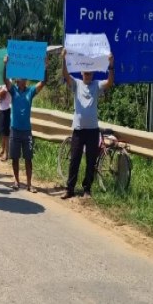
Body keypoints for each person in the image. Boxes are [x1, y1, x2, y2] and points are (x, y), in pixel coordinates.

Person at [61, 49, 115, 199]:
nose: (88, 75)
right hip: (78, 130)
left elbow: (110, 82)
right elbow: (65, 75)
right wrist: (63, 60)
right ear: (82, 73)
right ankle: (69, 189)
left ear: (93, 74)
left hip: (92, 130)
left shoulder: (97, 85)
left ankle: (87, 189)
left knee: (91, 161)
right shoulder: (77, 84)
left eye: (90, 73)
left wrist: (111, 65)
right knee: (75, 160)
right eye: (85, 73)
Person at [3, 55, 48, 192]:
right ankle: (16, 181)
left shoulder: (30, 91)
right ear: (17, 80)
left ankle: (29, 183)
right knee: (15, 157)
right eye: (19, 77)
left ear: (26, 80)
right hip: (15, 130)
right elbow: (5, 80)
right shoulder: (13, 90)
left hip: (26, 131)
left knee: (28, 158)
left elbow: (43, 82)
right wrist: (5, 65)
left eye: (24, 77)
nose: (22, 79)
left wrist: (45, 67)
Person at [0, 84, 11, 161]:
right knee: (1, 131)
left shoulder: (9, 80)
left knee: (6, 133)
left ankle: (6, 153)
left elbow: (3, 93)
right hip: (0, 108)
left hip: (6, 109)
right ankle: (2, 148)